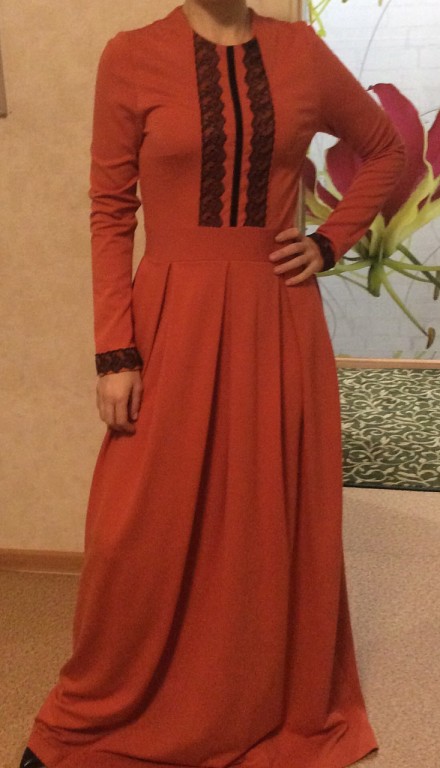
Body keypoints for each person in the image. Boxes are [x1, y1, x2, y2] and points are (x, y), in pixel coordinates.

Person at [20, 1, 406, 767]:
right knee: (136, 524)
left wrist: (330, 242)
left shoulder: (300, 53)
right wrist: (115, 352)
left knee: (263, 510)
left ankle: (250, 700)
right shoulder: (131, 56)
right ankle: (100, 707)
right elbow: (110, 213)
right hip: (171, 320)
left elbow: (387, 149)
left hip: (276, 319)